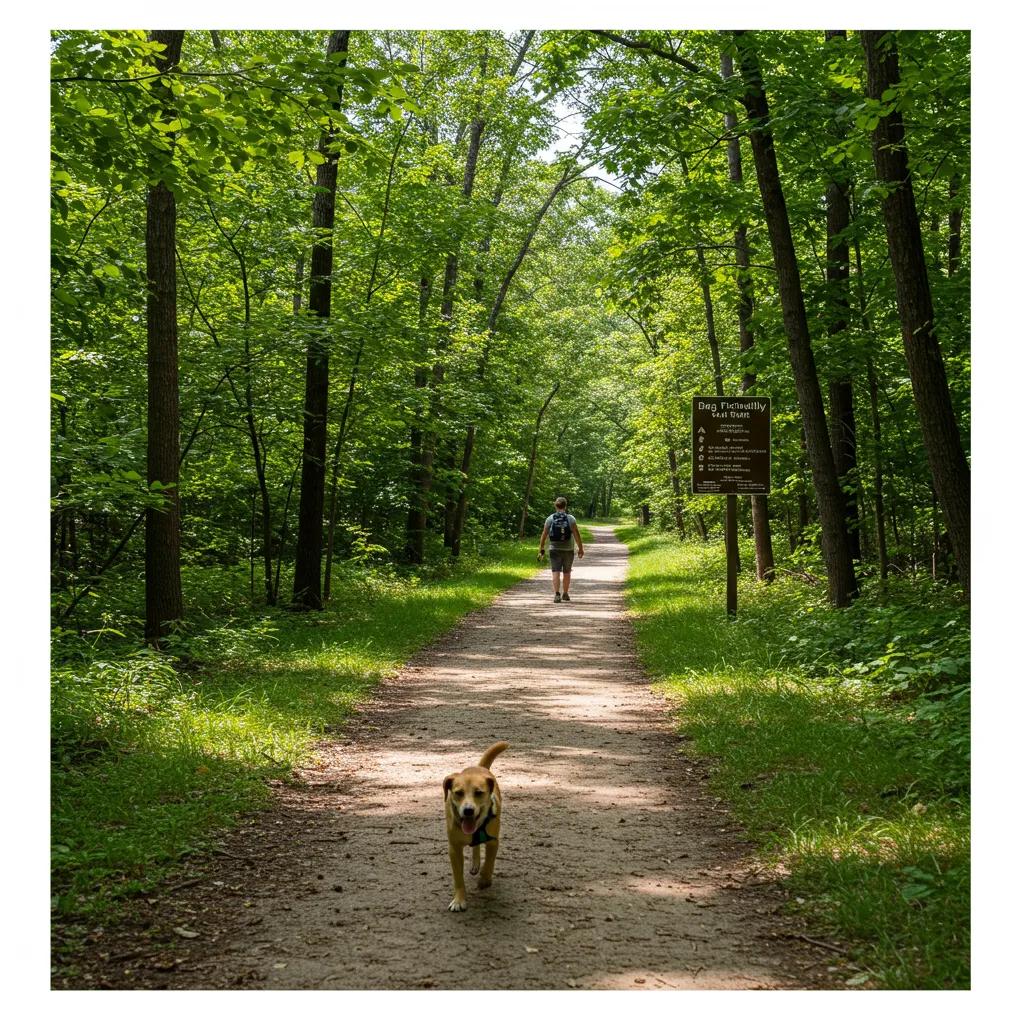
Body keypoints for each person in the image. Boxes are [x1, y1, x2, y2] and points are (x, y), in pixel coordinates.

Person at [538, 497, 584, 603]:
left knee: (555, 571)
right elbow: (577, 534)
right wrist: (580, 548)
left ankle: (557, 594)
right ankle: (566, 593)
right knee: (567, 572)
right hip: (568, 549)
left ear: (555, 505)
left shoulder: (550, 518)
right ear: (565, 506)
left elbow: (544, 535)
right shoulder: (571, 518)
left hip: (554, 549)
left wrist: (541, 548)